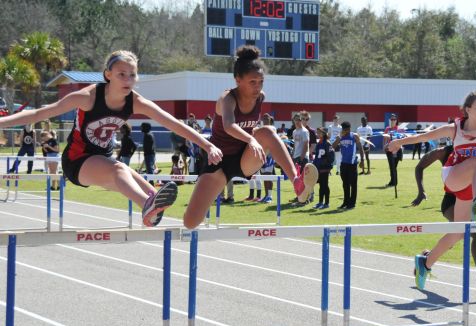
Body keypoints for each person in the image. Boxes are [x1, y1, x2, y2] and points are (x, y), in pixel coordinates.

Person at [0, 50, 222, 227]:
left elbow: (172, 123)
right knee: (120, 170)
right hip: (77, 161)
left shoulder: (136, 101)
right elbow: (39, 114)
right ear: (108, 74)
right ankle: (147, 206)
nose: (128, 80)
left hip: (104, 160)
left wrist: (207, 144)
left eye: (132, 75)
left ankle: (151, 208)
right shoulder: (87, 97)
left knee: (150, 189)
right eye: (121, 74)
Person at [182, 45, 318, 229]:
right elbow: (229, 125)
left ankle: (297, 183)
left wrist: (253, 137)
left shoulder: (260, 97)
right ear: (238, 80)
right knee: (191, 222)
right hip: (218, 162)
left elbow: (252, 128)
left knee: (267, 131)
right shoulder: (227, 98)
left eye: (261, 81)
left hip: (244, 158)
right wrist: (251, 139)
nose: (257, 86)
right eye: (252, 82)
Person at [388, 90, 476, 289]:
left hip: (469, 186)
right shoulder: (455, 129)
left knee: (458, 233)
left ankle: (425, 263)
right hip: (453, 176)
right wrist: (399, 142)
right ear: (467, 109)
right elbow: (424, 136)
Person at [411, 145, 476, 292]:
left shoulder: (475, 151)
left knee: (472, 234)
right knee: (471, 233)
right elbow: (419, 167)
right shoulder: (444, 151)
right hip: (451, 202)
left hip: (470, 201)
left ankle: (427, 260)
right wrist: (421, 191)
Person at [332, 121, 364, 210]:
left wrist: (362, 160)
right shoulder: (340, 137)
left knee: (353, 184)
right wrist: (338, 139)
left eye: (346, 130)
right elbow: (332, 147)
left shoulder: (354, 136)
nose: (345, 131)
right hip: (343, 163)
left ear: (349, 129)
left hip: (352, 163)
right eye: (344, 130)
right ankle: (345, 202)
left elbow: (360, 147)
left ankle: (352, 203)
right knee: (345, 184)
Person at [313, 127, 334, 209]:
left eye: (319, 132)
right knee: (321, 185)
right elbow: (317, 156)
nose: (317, 134)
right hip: (318, 168)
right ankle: (320, 202)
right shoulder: (319, 143)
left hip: (325, 168)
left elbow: (331, 157)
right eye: (317, 132)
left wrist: (328, 166)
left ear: (323, 133)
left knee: (325, 185)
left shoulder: (327, 143)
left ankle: (326, 203)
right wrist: (314, 165)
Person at [383, 113, 402, 187]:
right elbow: (385, 138)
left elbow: (402, 139)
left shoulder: (399, 129)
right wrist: (384, 146)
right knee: (391, 166)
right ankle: (393, 182)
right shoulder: (387, 129)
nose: (393, 121)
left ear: (396, 120)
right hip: (389, 150)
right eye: (391, 119)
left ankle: (394, 182)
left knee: (394, 167)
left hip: (397, 150)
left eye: (394, 119)